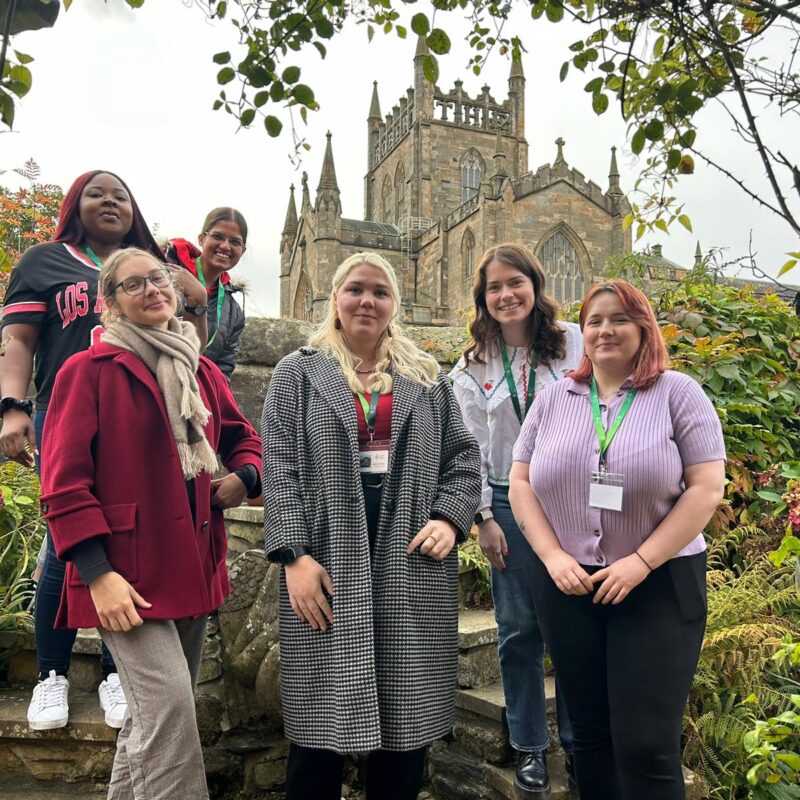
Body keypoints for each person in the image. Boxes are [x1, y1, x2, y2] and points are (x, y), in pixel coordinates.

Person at [39, 247, 262, 800]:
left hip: (191, 563)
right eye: (132, 284)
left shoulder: (201, 368)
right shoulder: (87, 371)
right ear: (109, 304)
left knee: (150, 721)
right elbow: (62, 483)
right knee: (169, 712)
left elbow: (242, 438)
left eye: (157, 278)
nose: (152, 289)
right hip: (124, 574)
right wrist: (95, 572)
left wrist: (246, 477)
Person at [262, 251, 481, 800]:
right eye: (356, 288)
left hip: (408, 560)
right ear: (335, 298)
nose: (367, 300)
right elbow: (281, 466)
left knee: (404, 732)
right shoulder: (299, 372)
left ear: (394, 305)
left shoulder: (425, 377)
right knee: (317, 732)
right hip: (326, 558)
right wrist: (294, 556)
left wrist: (451, 520)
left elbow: (464, 458)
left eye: (380, 292)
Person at [0, 170, 207, 732]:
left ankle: (120, 671)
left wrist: (191, 288)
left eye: (120, 194)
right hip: (68, 405)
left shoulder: (150, 262)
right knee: (61, 542)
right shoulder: (46, 261)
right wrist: (12, 405)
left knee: (133, 537)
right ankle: (51, 675)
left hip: (146, 413)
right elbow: (19, 341)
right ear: (75, 204)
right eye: (97, 193)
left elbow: (190, 324)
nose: (110, 202)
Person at [509, 279, 725, 800]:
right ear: (581, 333)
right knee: (588, 739)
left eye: (619, 319)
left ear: (643, 327)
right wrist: (552, 554)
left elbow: (706, 487)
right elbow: (519, 481)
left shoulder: (678, 392)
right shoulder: (555, 398)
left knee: (647, 745)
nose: (605, 330)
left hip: (657, 586)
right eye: (594, 321)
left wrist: (642, 562)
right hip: (569, 588)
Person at [450, 243, 582, 797]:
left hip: (571, 500)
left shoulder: (572, 342)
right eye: (494, 288)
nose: (506, 295)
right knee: (519, 629)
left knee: (576, 627)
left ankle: (581, 745)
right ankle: (530, 745)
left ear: (535, 284)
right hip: (506, 501)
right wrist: (482, 518)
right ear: (483, 298)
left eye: (515, 283)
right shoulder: (473, 363)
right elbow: (469, 447)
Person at [166, 207, 248, 378]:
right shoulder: (165, 279)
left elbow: (223, 370)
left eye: (235, 242)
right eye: (217, 236)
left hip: (195, 397)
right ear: (202, 239)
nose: (225, 246)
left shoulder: (233, 311)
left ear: (243, 250)